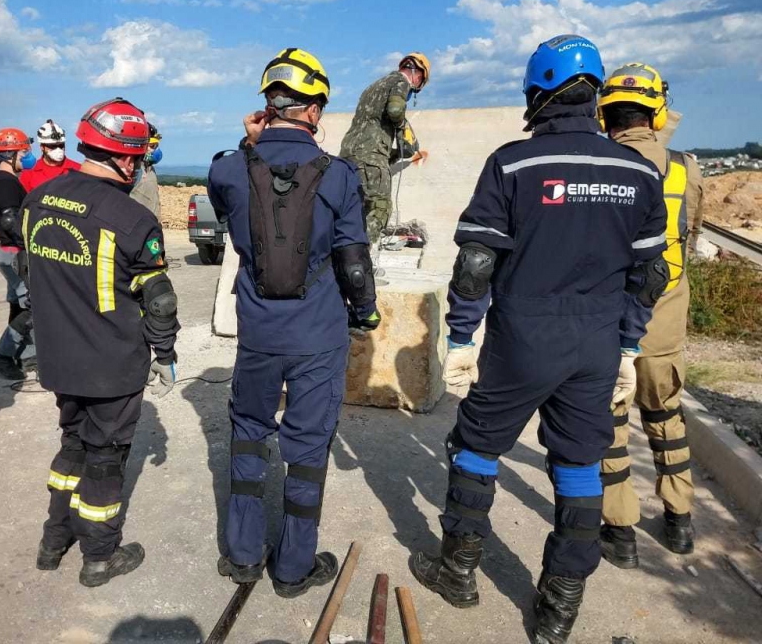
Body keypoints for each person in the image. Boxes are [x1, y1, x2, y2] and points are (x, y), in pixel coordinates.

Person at [409, 35, 668, 644]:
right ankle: (559, 605)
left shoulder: (515, 163)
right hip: (597, 342)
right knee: (579, 464)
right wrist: (629, 346)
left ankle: (459, 571)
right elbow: (649, 274)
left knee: (476, 447)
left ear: (539, 91)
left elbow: (476, 262)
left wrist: (463, 337)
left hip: (523, 335)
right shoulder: (637, 171)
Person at [208, 48, 380, 598]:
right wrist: (366, 312)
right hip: (318, 334)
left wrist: (249, 143)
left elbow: (225, 196)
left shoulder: (229, 168)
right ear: (312, 110)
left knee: (248, 435)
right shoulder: (340, 175)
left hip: (258, 332)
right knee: (306, 446)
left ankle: (241, 556)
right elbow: (353, 259)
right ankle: (292, 567)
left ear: (266, 104)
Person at [23, 98, 180, 588]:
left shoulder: (38, 201)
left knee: (72, 442)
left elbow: (28, 277)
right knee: (106, 456)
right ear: (128, 158)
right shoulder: (132, 219)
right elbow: (158, 302)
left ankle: (53, 540)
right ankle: (99, 556)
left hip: (57, 357)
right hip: (111, 362)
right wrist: (166, 352)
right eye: (138, 158)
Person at [596, 63, 703, 567]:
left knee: (612, 420)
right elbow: (691, 232)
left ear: (603, 114)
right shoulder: (685, 166)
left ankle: (621, 532)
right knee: (665, 413)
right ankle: (679, 520)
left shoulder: (598, 163)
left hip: (609, 313)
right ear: (658, 112)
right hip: (665, 313)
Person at [339, 52, 430, 247]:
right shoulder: (401, 82)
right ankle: (361, 261)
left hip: (347, 155)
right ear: (418, 75)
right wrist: (402, 129)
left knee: (352, 212)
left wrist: (396, 154)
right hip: (371, 157)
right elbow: (395, 111)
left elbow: (372, 125)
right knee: (380, 209)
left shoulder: (373, 87)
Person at [0, 128, 37, 381]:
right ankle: (2, 356)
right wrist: (30, 246)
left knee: (20, 306)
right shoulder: (6, 182)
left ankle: (27, 357)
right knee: (31, 307)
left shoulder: (7, 180)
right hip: (16, 253)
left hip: (11, 253)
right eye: (24, 151)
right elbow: (10, 221)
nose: (28, 156)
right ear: (10, 154)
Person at [19, 119, 81, 192]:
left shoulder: (78, 170)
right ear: (42, 147)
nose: (58, 149)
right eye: (52, 146)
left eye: (61, 145)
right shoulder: (29, 173)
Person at [130, 122, 163, 218]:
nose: (155, 150)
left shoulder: (150, 168)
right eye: (152, 146)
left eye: (156, 146)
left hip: (153, 224)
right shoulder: (133, 170)